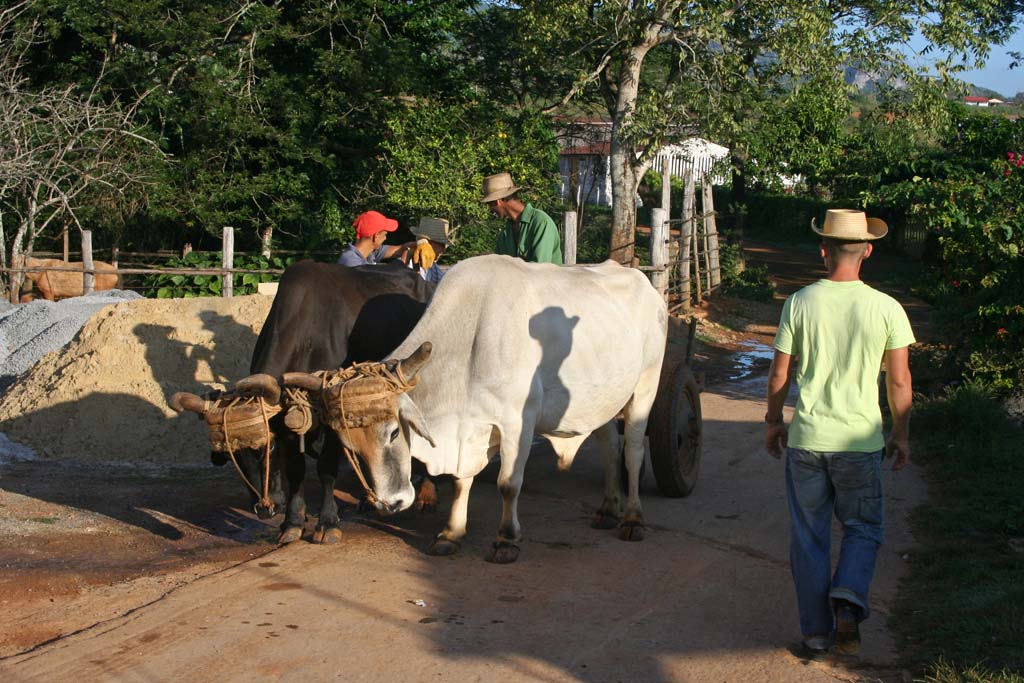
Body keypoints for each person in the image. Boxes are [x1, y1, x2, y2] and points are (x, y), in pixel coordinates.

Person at [764, 209, 915, 659]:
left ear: (823, 250)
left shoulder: (800, 302)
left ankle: (815, 633)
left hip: (808, 440)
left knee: (808, 537)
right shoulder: (887, 308)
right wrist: (901, 434)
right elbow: (900, 382)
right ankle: (848, 599)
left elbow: (778, 375)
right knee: (863, 527)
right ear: (867, 250)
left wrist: (774, 421)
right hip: (859, 443)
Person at [480, 172, 563, 264]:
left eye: (490, 204)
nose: (490, 209)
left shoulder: (541, 222)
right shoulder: (505, 233)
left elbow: (540, 268)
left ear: (498, 201)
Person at [338, 210, 415, 267]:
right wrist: (403, 262)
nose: (385, 238)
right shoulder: (351, 263)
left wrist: (419, 244)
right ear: (376, 236)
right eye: (385, 234)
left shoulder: (370, 252)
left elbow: (399, 249)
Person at [409, 217, 452, 284]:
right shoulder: (407, 264)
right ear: (428, 243)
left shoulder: (433, 268)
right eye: (441, 245)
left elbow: (446, 283)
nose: (443, 250)